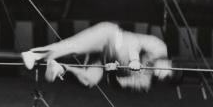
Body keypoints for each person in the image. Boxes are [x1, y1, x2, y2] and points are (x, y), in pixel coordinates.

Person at [21, 22, 173, 91]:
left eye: (160, 76)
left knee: (89, 80)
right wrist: (134, 59)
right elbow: (131, 40)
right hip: (111, 37)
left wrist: (113, 72)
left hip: (107, 57)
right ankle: (34, 54)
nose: (157, 72)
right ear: (168, 63)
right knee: (74, 47)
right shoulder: (159, 47)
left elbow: (117, 84)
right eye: (163, 69)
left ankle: (59, 67)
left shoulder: (145, 81)